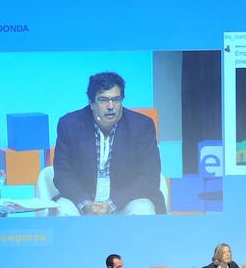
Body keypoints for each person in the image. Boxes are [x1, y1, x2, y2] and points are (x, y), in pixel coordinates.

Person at [53, 71, 165, 215]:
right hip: (83, 200)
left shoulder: (142, 126)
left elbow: (150, 177)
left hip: (125, 200)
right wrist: (85, 203)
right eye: (104, 100)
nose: (111, 106)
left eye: (116, 100)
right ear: (91, 102)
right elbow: (62, 175)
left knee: (143, 209)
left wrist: (111, 204)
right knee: (63, 209)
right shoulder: (70, 125)